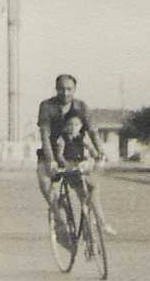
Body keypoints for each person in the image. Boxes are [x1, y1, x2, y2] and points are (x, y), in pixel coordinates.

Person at [36, 74, 116, 234]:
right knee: (44, 181)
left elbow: (92, 132)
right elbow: (44, 134)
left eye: (69, 89)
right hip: (50, 153)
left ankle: (93, 224)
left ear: (74, 90)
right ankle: (59, 221)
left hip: (73, 156)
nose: (65, 93)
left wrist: (100, 152)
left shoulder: (81, 107)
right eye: (61, 89)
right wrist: (51, 159)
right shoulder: (47, 106)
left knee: (86, 188)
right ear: (56, 89)